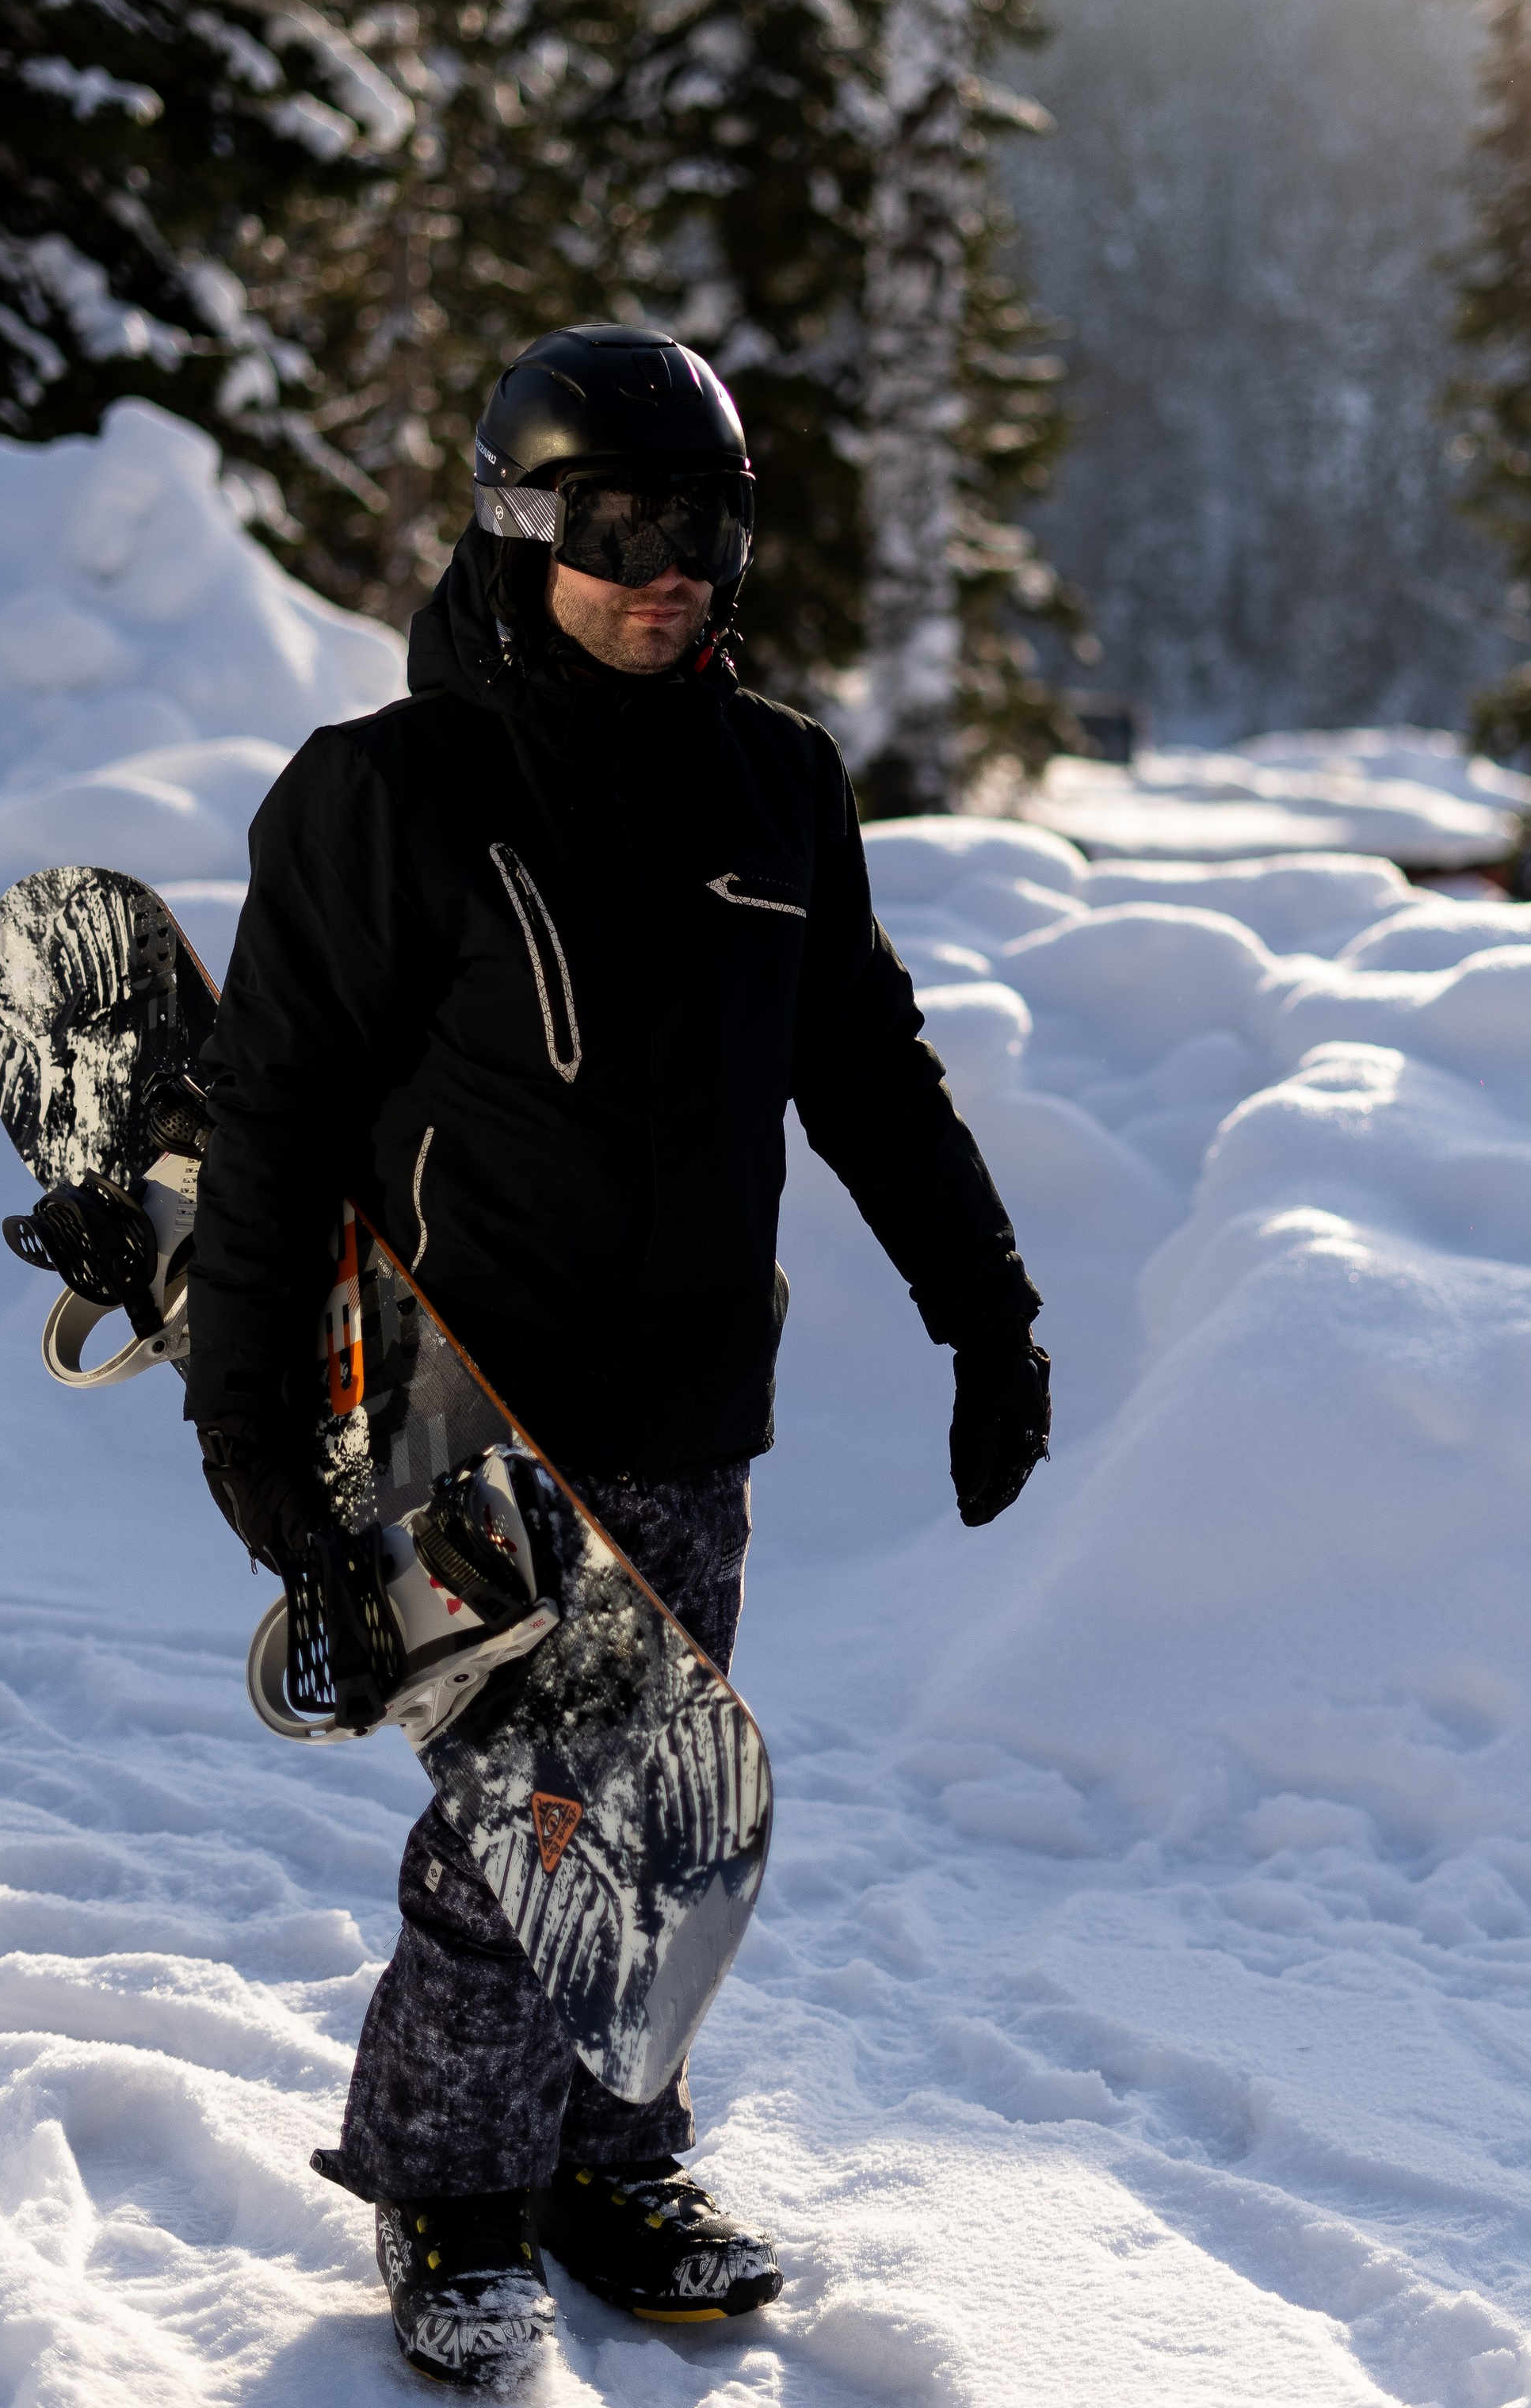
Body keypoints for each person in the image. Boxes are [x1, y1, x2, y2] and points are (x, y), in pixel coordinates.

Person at [183, 324, 1053, 2384]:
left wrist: (984, 1314)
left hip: (683, 1406)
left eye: (706, 523)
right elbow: (274, 1133)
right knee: (531, 1826)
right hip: (458, 1408)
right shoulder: (392, 795)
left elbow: (870, 1074)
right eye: (616, 520)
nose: (667, 567)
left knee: (657, 1801)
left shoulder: (775, 785)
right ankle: (453, 2193)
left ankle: (605, 2147)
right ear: (518, 527)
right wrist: (259, 1440)